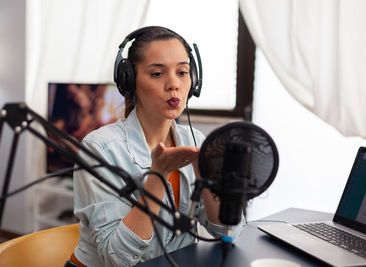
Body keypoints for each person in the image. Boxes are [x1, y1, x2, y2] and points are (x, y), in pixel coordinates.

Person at [67, 26, 244, 267]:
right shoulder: (99, 149)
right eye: (158, 74)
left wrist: (207, 175)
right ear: (129, 81)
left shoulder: (196, 141)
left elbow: (230, 234)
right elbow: (116, 259)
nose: (174, 84)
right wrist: (158, 175)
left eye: (182, 72)